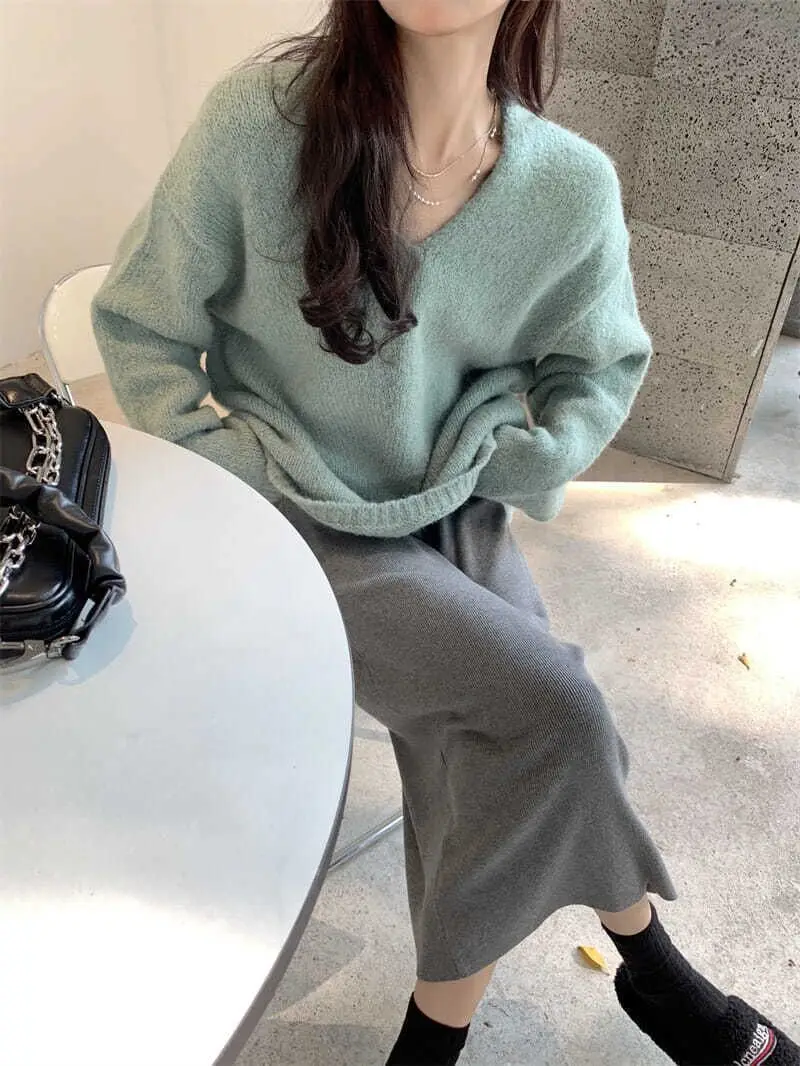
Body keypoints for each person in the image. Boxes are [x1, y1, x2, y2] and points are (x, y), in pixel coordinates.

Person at [91, 1, 799, 1063]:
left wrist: (518, 457)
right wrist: (238, 474)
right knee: (554, 709)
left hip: (448, 507)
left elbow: (600, 364)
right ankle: (651, 972)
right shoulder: (259, 126)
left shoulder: (565, 186)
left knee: (491, 736)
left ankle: (499, 1024)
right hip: (296, 520)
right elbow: (139, 325)